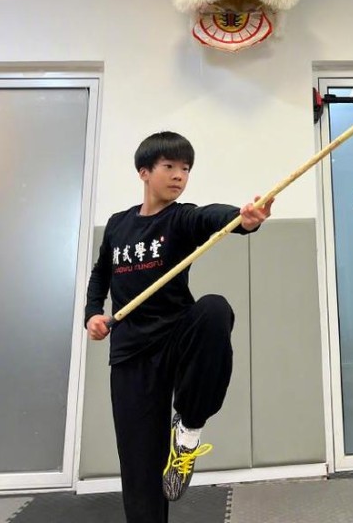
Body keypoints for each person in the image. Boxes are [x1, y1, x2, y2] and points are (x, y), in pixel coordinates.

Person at [85, 131, 272, 523]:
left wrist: (244, 220)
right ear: (144, 172)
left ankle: (188, 428)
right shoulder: (118, 225)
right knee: (139, 465)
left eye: (185, 169)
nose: (178, 176)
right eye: (169, 166)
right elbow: (101, 274)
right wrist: (93, 314)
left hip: (176, 336)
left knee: (214, 310)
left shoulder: (181, 218)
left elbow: (211, 217)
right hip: (131, 350)